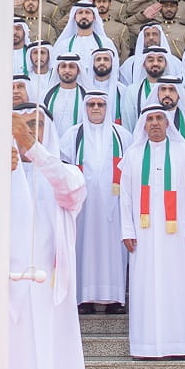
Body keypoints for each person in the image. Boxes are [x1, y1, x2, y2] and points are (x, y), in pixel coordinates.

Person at [0, 102, 89, 369]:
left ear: (48, 131)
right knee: (10, 359)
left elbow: (72, 193)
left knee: (53, 357)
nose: (29, 133)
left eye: (36, 126)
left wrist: (32, 148)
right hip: (6, 289)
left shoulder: (65, 173)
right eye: (23, 128)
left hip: (51, 287)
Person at [121, 105, 185, 359]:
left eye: (159, 118)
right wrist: (127, 229)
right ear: (143, 124)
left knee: (179, 285)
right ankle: (146, 345)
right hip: (142, 236)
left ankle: (184, 344)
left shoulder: (184, 151)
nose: (155, 123)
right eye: (150, 119)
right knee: (146, 286)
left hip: (177, 234)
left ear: (168, 123)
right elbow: (125, 197)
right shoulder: (133, 155)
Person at [65, 91, 128, 314]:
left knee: (115, 250)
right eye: (91, 104)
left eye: (100, 104)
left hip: (115, 205)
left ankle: (115, 299)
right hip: (84, 208)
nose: (95, 108)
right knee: (84, 247)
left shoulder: (122, 136)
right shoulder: (73, 135)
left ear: (107, 107)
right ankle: (84, 299)